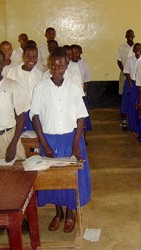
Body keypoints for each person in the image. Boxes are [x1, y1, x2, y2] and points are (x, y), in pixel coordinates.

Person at [30, 47, 91, 233]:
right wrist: (44, 143)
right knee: (53, 180)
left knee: (71, 178)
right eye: (53, 66)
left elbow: (81, 116)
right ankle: (59, 213)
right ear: (49, 66)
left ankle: (70, 214)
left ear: (66, 66)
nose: (57, 69)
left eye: (61, 66)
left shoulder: (73, 87)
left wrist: (76, 142)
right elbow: (35, 116)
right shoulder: (41, 87)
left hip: (71, 139)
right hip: (50, 140)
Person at [7, 45, 43, 131]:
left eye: (34, 57)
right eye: (28, 56)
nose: (31, 59)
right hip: (18, 114)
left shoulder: (40, 74)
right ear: (23, 57)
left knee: (33, 139)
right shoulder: (13, 72)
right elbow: (8, 94)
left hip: (35, 114)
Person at [121, 43, 141, 132]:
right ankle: (124, 121)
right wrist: (130, 84)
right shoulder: (129, 60)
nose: (138, 50)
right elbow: (126, 73)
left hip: (140, 84)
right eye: (136, 49)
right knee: (126, 102)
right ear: (134, 50)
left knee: (137, 103)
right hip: (130, 82)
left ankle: (137, 123)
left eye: (140, 49)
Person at [71, 44, 93, 136]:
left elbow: (86, 81)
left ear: (80, 53)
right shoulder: (69, 65)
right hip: (71, 95)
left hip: (81, 94)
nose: (74, 54)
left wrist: (84, 93)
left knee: (82, 116)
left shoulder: (84, 65)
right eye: (72, 53)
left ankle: (83, 136)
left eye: (76, 52)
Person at [116, 29, 135, 95]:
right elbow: (119, 61)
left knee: (134, 91)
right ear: (125, 36)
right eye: (128, 35)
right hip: (124, 72)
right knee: (123, 91)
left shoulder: (137, 47)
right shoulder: (121, 48)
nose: (130, 36)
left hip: (135, 73)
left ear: (134, 36)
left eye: (131, 35)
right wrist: (124, 71)